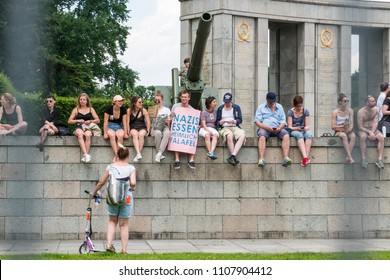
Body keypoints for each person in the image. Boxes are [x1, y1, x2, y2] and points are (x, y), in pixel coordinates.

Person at [91, 143, 136, 254]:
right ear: (127, 155)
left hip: (112, 197)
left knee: (112, 221)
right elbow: (133, 183)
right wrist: (132, 187)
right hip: (126, 198)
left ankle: (109, 244)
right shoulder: (131, 168)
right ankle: (124, 251)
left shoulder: (111, 167)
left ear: (117, 155)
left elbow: (101, 182)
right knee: (124, 224)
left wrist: (95, 192)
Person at [255, 92, 292, 167]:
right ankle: (261, 159)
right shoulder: (261, 107)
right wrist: (266, 127)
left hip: (277, 127)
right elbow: (257, 122)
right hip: (265, 128)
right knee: (262, 136)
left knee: (286, 135)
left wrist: (280, 128)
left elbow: (283, 121)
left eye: (272, 102)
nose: (271, 103)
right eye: (269, 102)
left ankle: (285, 157)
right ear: (267, 100)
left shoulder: (280, 107)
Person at [68, 92, 100, 163]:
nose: (82, 101)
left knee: (88, 135)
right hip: (79, 126)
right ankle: (86, 154)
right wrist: (78, 120)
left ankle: (85, 156)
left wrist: (90, 121)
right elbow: (69, 121)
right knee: (80, 134)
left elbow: (98, 120)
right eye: (81, 99)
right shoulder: (76, 109)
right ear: (79, 101)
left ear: (87, 101)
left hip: (88, 127)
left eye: (84, 100)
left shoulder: (91, 109)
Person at [216, 92, 246, 166]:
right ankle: (233, 158)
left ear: (231, 101)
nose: (227, 103)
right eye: (225, 102)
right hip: (224, 127)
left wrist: (233, 121)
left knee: (242, 136)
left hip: (234, 126)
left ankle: (233, 156)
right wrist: (220, 122)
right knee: (229, 136)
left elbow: (240, 120)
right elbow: (217, 121)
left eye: (228, 102)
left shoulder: (236, 107)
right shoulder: (220, 108)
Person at [171, 89, 196, 169]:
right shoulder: (175, 106)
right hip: (178, 128)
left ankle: (191, 160)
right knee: (176, 134)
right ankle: (177, 160)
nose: (183, 99)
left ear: (189, 98)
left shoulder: (192, 109)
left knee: (194, 135)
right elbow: (171, 118)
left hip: (186, 129)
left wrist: (196, 126)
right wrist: (172, 116)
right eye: (182, 97)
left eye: (185, 97)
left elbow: (193, 122)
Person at [357, 95, 385, 169]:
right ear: (367, 102)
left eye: (374, 101)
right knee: (362, 137)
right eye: (372, 101)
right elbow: (360, 127)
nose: (374, 102)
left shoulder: (376, 109)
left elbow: (375, 122)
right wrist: (369, 132)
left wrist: (372, 132)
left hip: (373, 129)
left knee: (381, 137)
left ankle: (379, 159)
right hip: (364, 129)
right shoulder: (360, 112)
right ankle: (363, 159)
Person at [287, 95, 312, 167]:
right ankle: (305, 158)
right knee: (299, 135)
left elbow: (308, 126)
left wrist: (304, 128)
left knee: (309, 134)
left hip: (302, 129)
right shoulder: (290, 112)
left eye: (300, 106)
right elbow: (289, 127)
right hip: (294, 130)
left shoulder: (305, 111)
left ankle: (305, 159)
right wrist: (297, 128)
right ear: (294, 105)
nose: (299, 108)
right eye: (297, 106)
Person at [331, 93, 356, 164]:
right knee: (344, 136)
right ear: (340, 102)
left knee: (353, 136)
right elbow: (333, 126)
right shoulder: (335, 112)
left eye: (347, 101)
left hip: (347, 130)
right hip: (339, 131)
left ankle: (348, 157)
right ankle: (350, 157)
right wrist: (342, 126)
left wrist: (348, 129)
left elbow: (351, 124)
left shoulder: (350, 111)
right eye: (345, 101)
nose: (346, 102)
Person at [103, 95, 128, 162]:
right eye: (119, 101)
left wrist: (125, 133)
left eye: (122, 101)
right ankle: (117, 155)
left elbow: (124, 122)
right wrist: (105, 133)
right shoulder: (109, 109)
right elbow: (105, 122)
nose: (121, 102)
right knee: (112, 135)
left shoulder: (123, 109)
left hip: (119, 126)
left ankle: (116, 156)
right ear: (115, 102)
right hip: (110, 126)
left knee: (120, 136)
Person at [126, 96, 150, 162]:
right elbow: (127, 122)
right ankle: (138, 153)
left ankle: (138, 154)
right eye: (139, 102)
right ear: (134, 103)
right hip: (133, 127)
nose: (141, 103)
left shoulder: (143, 110)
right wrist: (128, 130)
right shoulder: (129, 110)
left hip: (142, 127)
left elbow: (148, 122)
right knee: (135, 134)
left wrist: (148, 130)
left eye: (142, 102)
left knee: (141, 135)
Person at [151, 91, 171, 163]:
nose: (157, 102)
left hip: (164, 126)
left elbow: (169, 122)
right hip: (155, 127)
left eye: (158, 100)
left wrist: (168, 121)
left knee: (167, 132)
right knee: (158, 133)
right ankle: (159, 153)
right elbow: (150, 121)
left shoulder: (167, 110)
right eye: (155, 100)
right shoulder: (152, 109)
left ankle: (159, 153)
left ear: (162, 100)